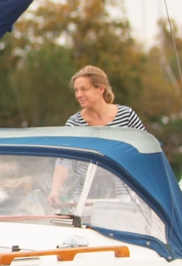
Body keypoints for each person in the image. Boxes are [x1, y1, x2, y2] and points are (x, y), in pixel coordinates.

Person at [47, 65, 145, 207]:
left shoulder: (127, 116)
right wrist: (54, 190)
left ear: (101, 89)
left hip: (124, 197)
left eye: (84, 89)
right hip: (83, 199)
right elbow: (64, 161)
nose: (78, 95)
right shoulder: (74, 123)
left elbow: (144, 154)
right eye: (76, 90)